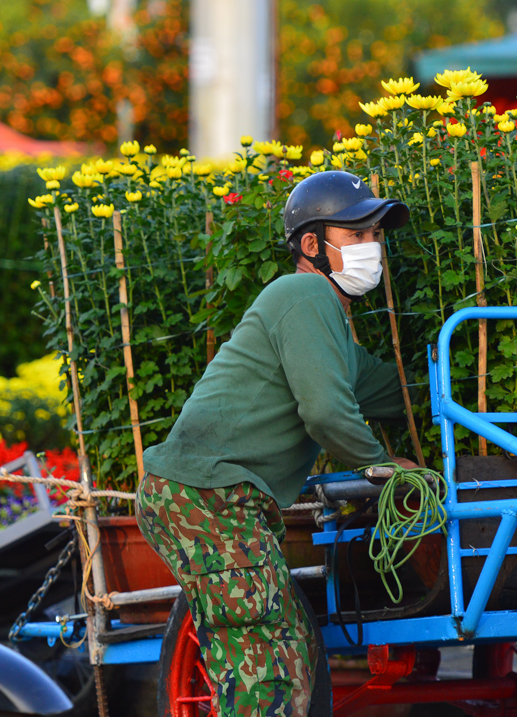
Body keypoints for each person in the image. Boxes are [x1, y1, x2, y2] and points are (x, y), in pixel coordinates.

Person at [136, 170, 414, 716]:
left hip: (221, 500)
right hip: (207, 499)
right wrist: (383, 466)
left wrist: (451, 393)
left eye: (376, 235)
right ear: (313, 244)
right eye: (357, 234)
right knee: (268, 675)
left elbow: (387, 388)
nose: (372, 247)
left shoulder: (328, 321)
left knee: (288, 648)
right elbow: (327, 412)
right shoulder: (304, 292)